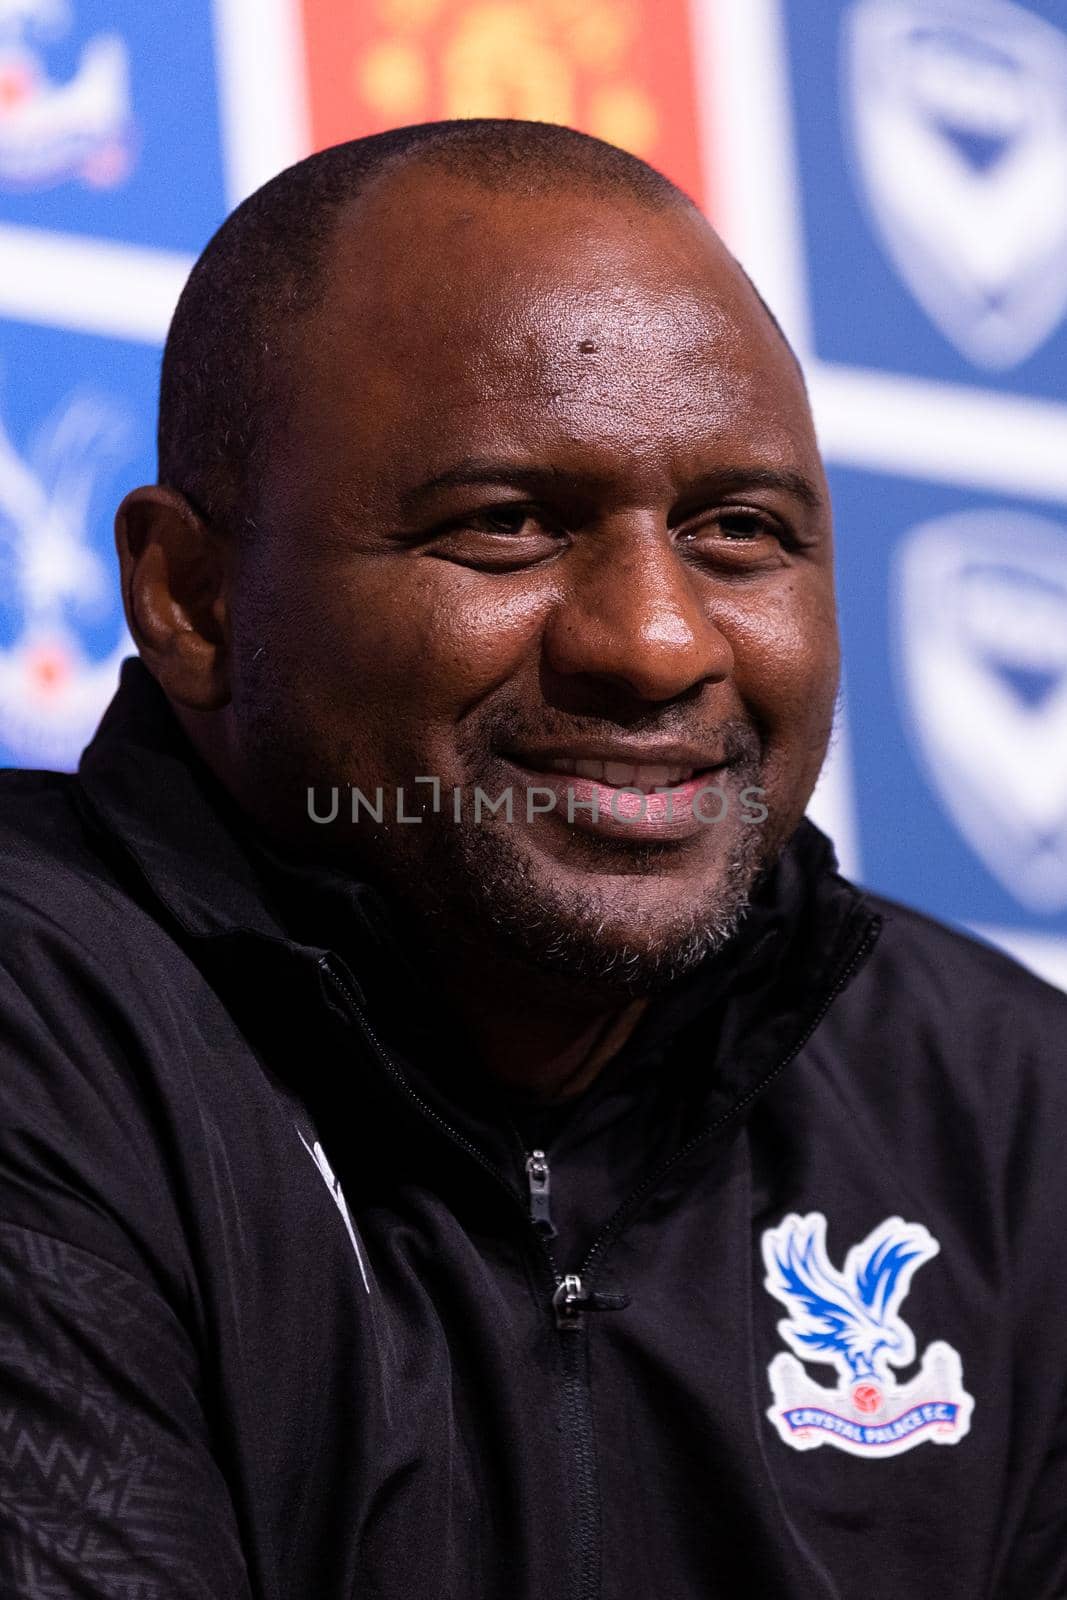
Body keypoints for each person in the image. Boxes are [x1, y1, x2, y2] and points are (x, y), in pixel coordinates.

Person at [0, 119, 1063, 1600]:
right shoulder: (44, 1025)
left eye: (739, 532)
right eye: (505, 527)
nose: (657, 639)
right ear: (191, 596)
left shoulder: (1003, 1110)